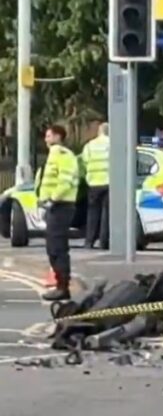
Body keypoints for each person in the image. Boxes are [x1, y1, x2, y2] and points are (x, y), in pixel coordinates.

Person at [38, 125, 80, 301]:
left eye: (48, 136)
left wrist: (53, 199)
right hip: (54, 206)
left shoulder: (62, 154)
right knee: (53, 247)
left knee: (57, 247)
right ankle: (60, 284)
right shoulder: (54, 155)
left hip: (61, 205)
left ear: (57, 136)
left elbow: (66, 180)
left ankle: (63, 287)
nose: (46, 139)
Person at [80, 122, 110, 249]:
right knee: (106, 213)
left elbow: (84, 161)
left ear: (99, 131)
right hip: (109, 182)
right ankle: (104, 242)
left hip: (93, 183)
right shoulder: (112, 143)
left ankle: (89, 241)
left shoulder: (90, 145)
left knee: (92, 213)